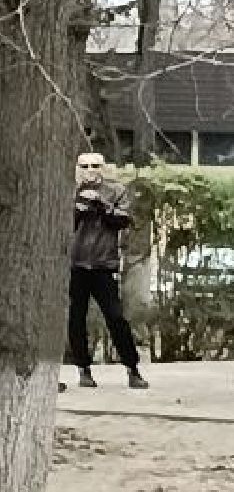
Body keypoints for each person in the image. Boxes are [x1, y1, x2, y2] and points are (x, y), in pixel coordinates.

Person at [67, 152, 147, 390]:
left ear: (103, 168)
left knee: (116, 317)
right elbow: (61, 224)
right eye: (84, 165)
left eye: (95, 165)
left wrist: (101, 205)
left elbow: (123, 219)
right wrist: (79, 207)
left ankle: (132, 369)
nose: (90, 170)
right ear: (77, 168)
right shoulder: (68, 191)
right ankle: (84, 370)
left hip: (104, 265)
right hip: (76, 264)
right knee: (76, 319)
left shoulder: (116, 190)